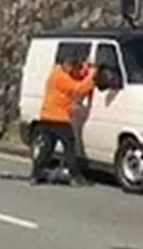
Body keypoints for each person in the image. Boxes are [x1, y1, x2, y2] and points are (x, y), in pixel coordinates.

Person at [31, 52, 95, 186]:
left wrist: (85, 70)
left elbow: (76, 78)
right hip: (58, 118)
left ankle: (36, 174)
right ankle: (74, 176)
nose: (72, 70)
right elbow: (78, 88)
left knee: (47, 148)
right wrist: (93, 77)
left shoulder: (56, 72)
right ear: (66, 64)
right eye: (71, 67)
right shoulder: (60, 77)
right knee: (69, 146)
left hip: (47, 116)